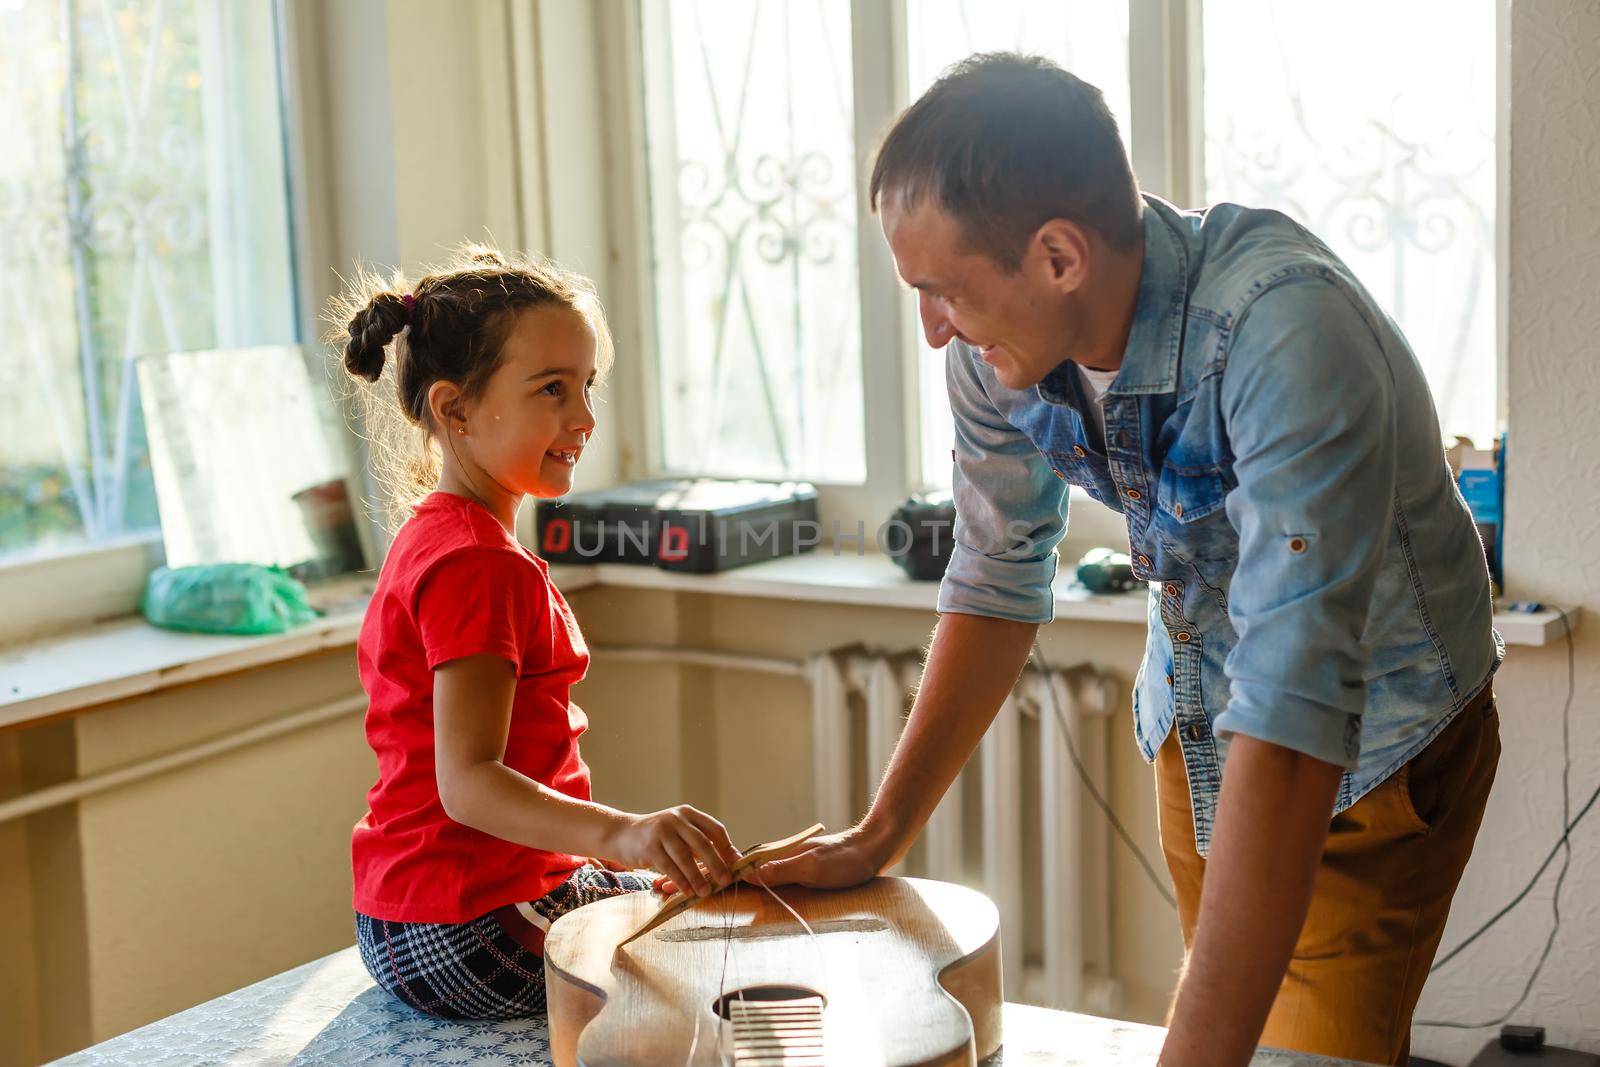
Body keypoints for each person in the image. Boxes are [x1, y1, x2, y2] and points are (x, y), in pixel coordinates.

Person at [754, 55, 1502, 1066]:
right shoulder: (995, 347)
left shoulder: (1287, 331)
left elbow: (1296, 705)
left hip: (1370, 743)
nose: (931, 327)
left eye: (942, 290)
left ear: (1059, 257)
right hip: (1191, 716)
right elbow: (994, 572)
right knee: (1224, 1019)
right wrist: (878, 832)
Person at [333, 245, 739, 1020]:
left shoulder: (439, 535)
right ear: (454, 410)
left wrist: (628, 852)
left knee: (678, 890)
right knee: (706, 950)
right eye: (552, 389)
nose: (583, 417)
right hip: (462, 923)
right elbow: (469, 782)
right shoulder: (478, 563)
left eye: (587, 386)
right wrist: (624, 832)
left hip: (409, 911)